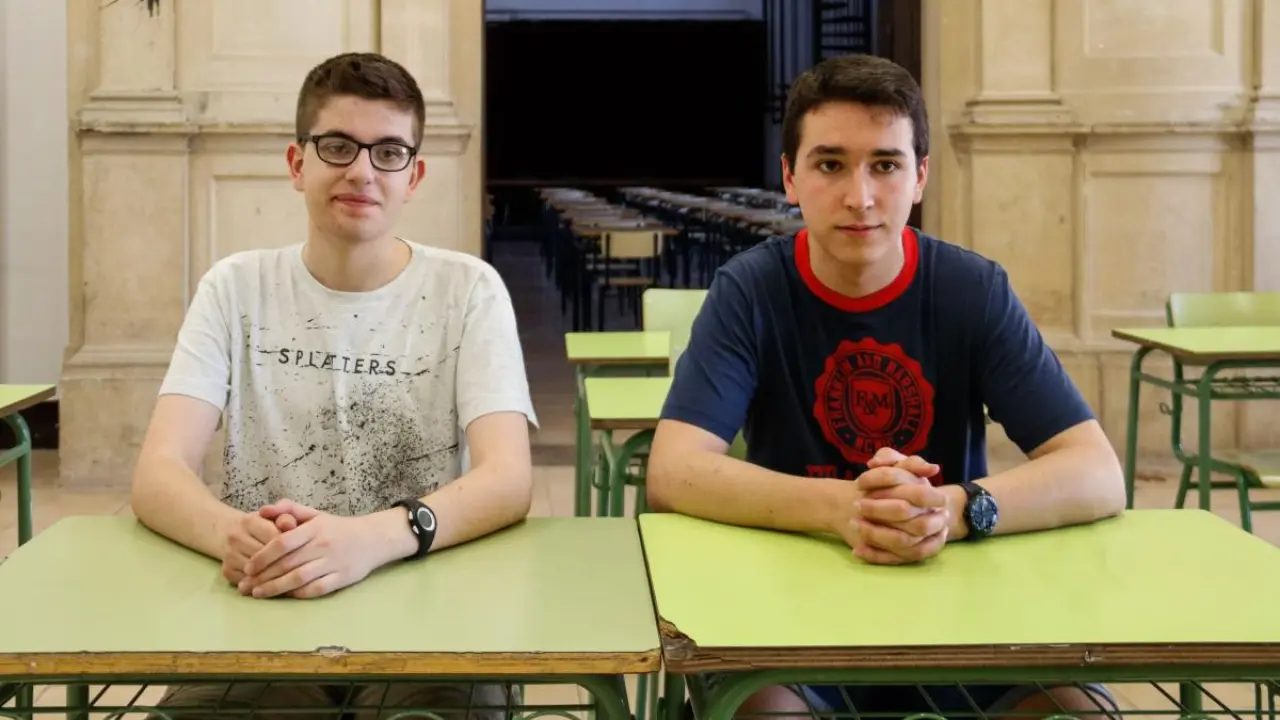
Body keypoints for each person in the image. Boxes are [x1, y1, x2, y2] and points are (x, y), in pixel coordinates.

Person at [646, 54, 1127, 720]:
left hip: (960, 607)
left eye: (885, 165)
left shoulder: (972, 290)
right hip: (791, 609)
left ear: (920, 176)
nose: (860, 197)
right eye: (830, 164)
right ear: (790, 177)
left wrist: (955, 511)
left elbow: (1098, 472)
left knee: (1079, 712)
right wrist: (841, 509)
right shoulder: (750, 290)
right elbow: (673, 471)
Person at [131, 51, 536, 720]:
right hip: (263, 611)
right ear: (298, 164)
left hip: (428, 611)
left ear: (413, 176)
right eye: (338, 146)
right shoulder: (235, 288)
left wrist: (371, 540)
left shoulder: (468, 290)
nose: (362, 171)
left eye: (389, 153)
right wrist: (234, 536)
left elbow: (509, 478)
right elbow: (158, 471)